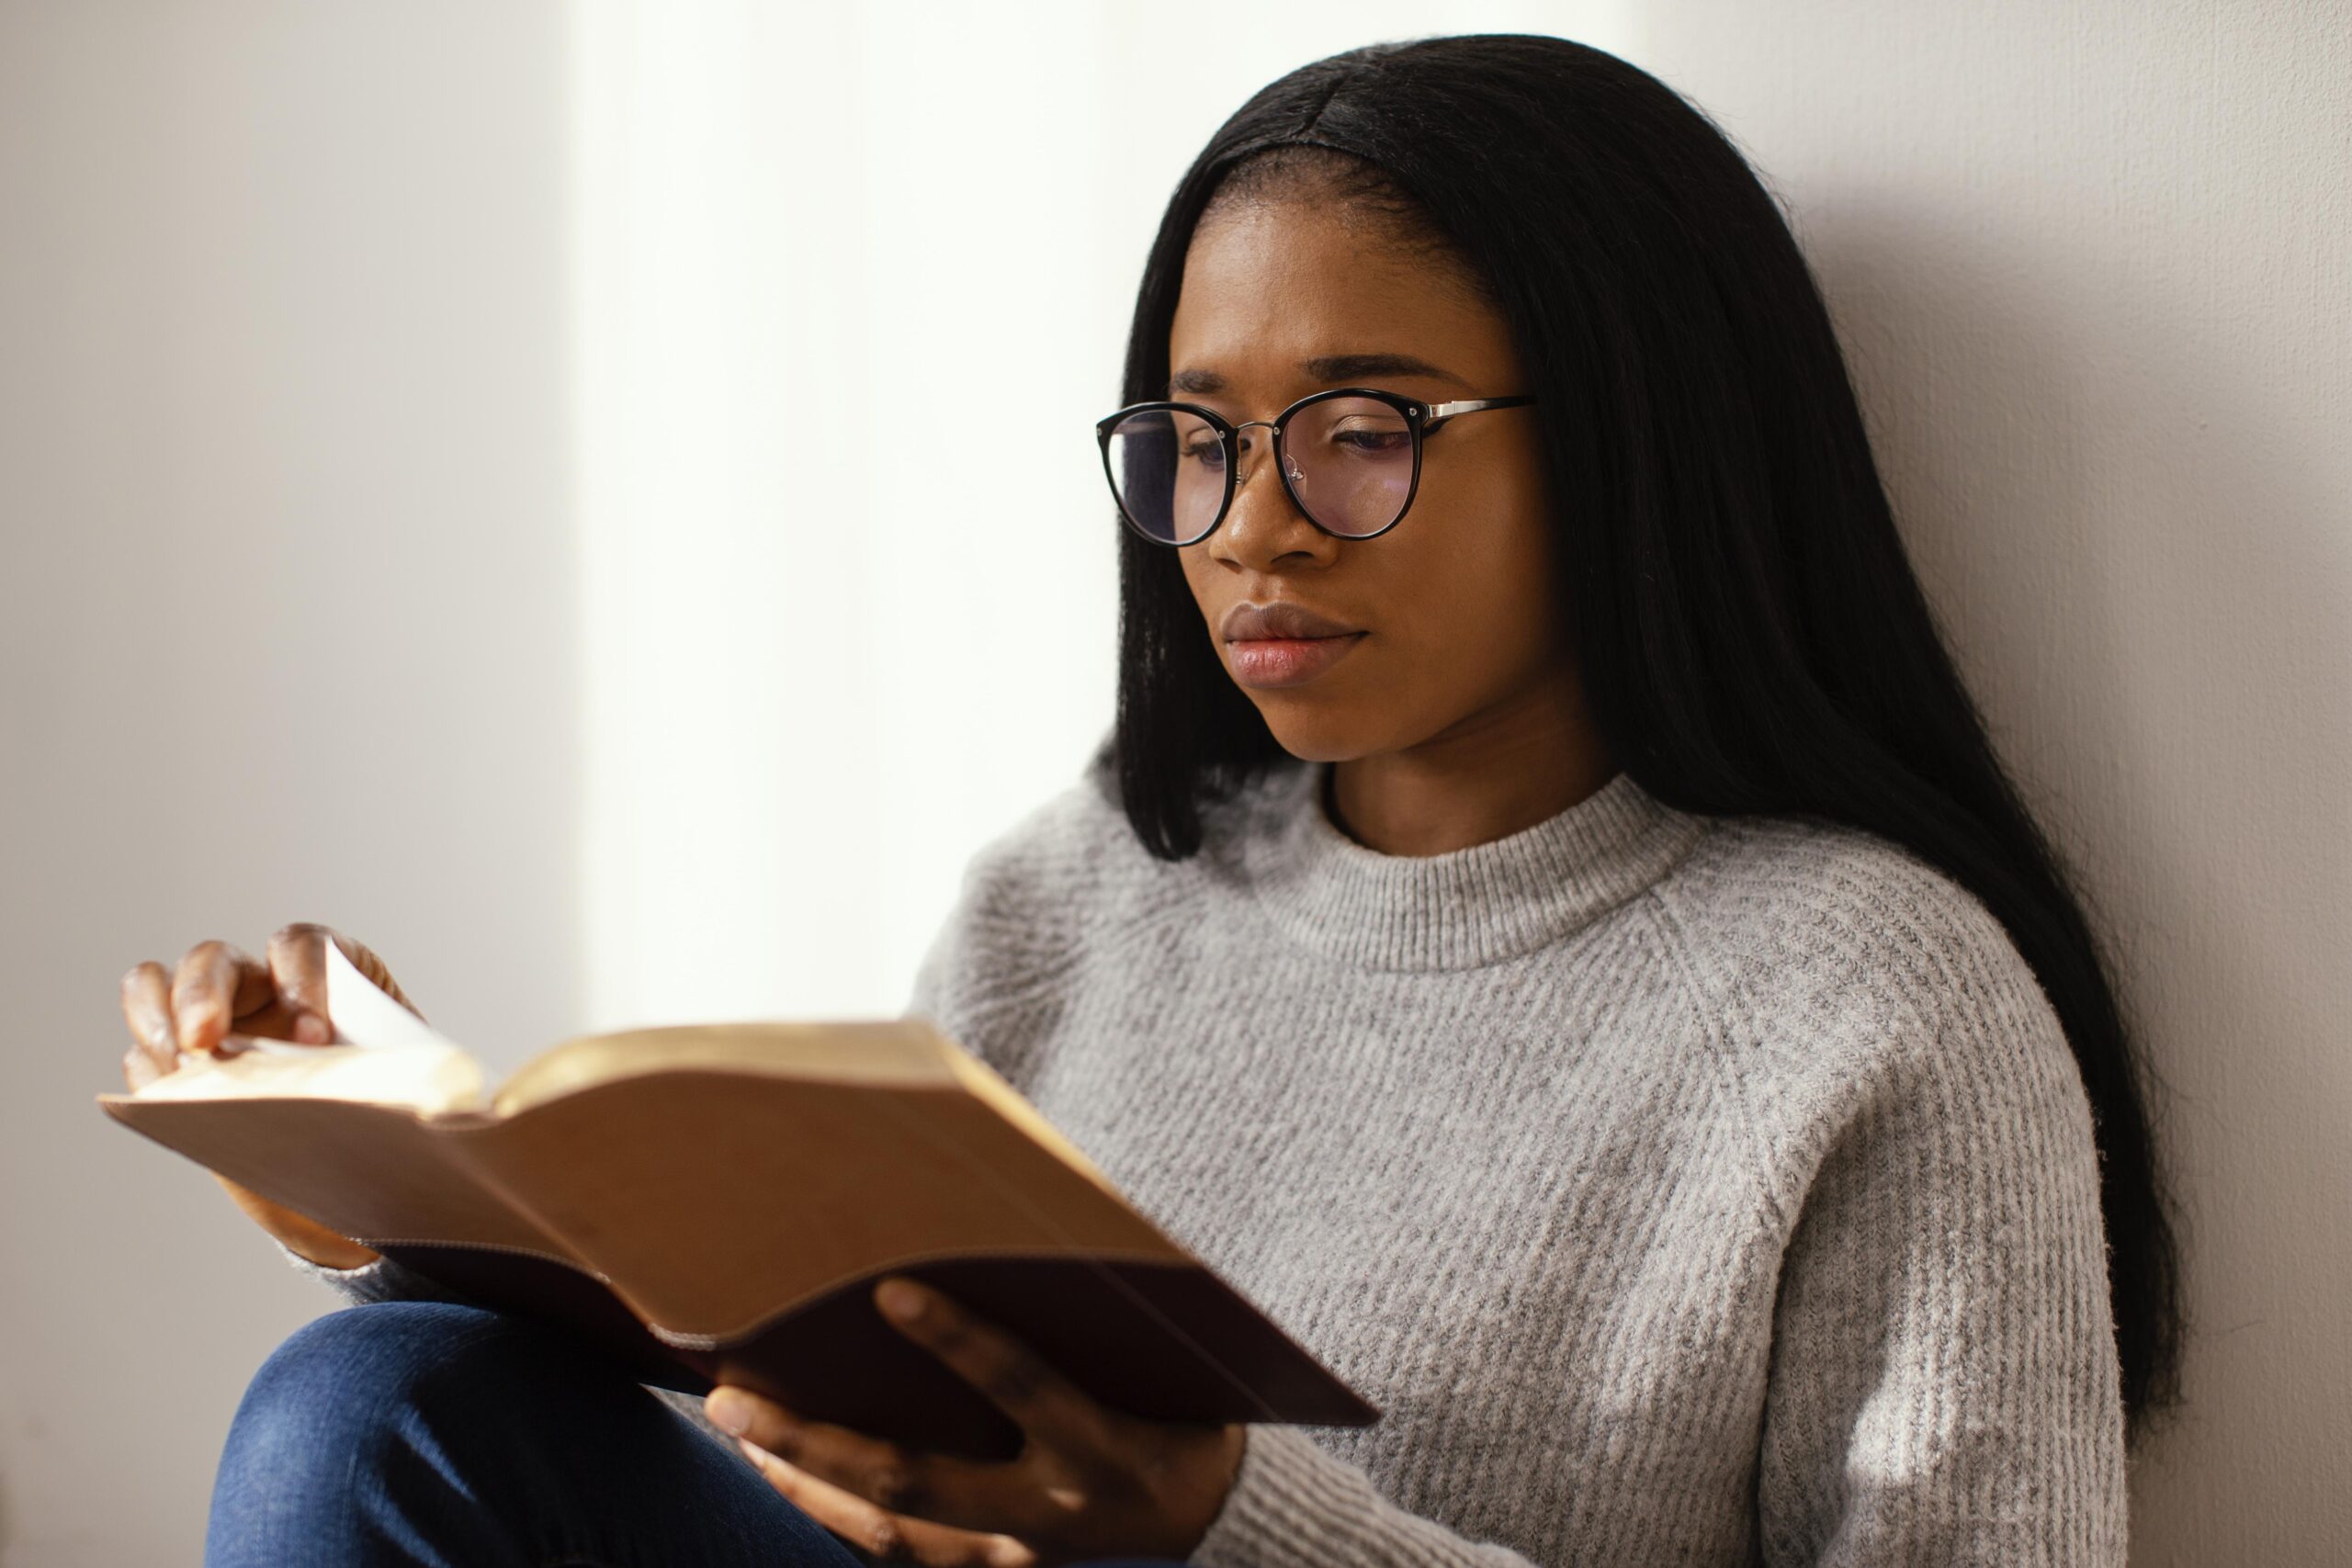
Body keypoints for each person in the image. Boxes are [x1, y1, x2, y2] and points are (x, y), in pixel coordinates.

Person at [119, 32, 2183, 1568]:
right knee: (373, 1400)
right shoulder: (1091, 886)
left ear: (1638, 436)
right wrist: (418, 1216)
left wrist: (1228, 1521)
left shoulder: (1874, 999)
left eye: (1358, 430)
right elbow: (819, 1409)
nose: (1250, 531)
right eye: (1193, 439)